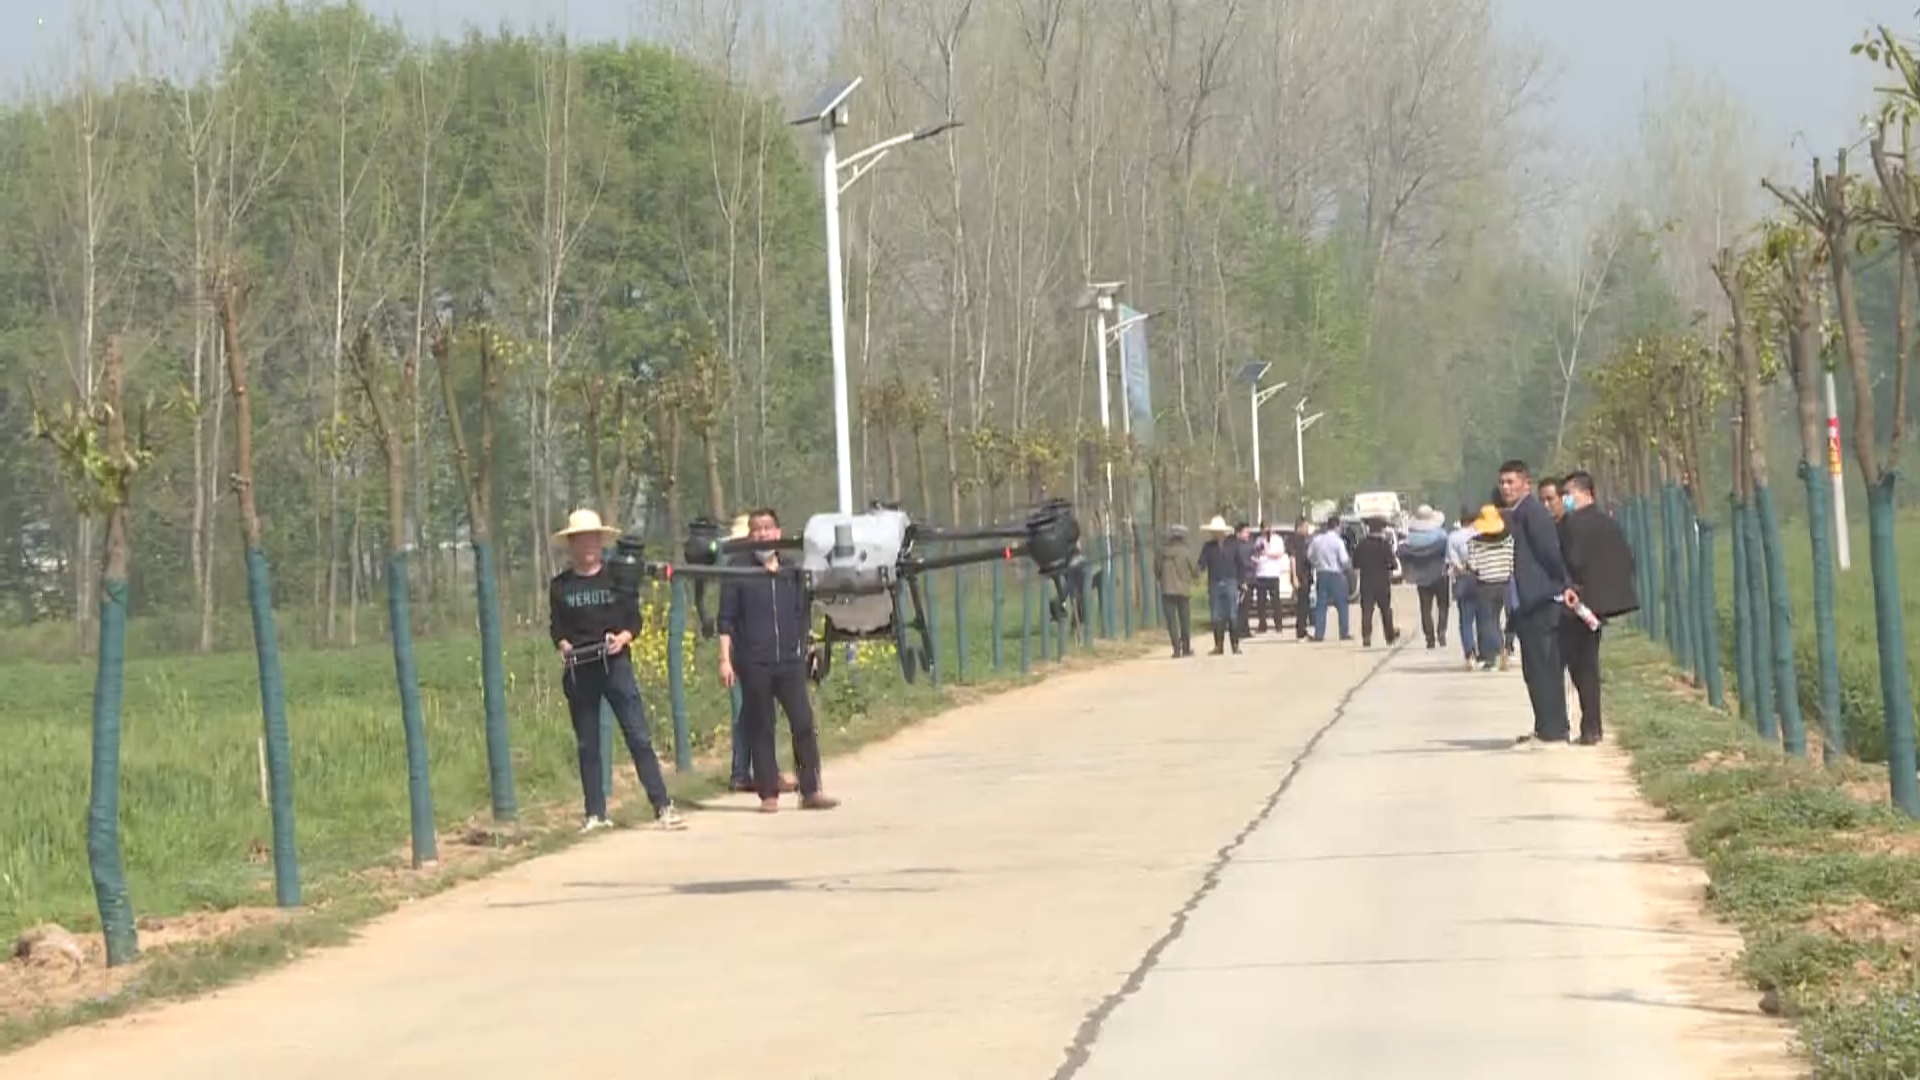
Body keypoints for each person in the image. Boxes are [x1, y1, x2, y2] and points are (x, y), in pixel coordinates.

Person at [548, 509, 686, 833]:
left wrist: (622, 638)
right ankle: (595, 813)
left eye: (592, 539)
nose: (587, 545)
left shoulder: (617, 577)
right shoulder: (560, 586)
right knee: (588, 744)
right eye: (580, 540)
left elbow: (633, 620)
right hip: (580, 669)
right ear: (572, 545)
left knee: (637, 735)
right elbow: (557, 628)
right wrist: (564, 644)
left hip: (615, 665)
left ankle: (662, 805)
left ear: (600, 541)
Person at [718, 508, 840, 812]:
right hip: (754, 661)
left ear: (778, 532)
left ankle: (810, 790)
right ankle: (768, 792)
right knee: (761, 726)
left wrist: (808, 648)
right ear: (750, 535)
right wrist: (725, 659)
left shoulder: (792, 569)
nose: (762, 533)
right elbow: (726, 619)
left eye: (767, 527)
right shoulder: (738, 570)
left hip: (789, 660)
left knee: (803, 722)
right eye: (756, 529)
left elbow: (802, 614)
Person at [1559, 471, 1639, 744]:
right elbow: (1627, 558)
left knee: (1581, 665)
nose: (1565, 499)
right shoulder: (1609, 523)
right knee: (1588, 662)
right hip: (1599, 603)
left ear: (1586, 493)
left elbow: (1574, 560)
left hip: (1579, 602)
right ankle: (1592, 725)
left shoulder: (1573, 525)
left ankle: (1591, 726)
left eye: (1569, 494)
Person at [1499, 459, 1573, 747]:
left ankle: (1554, 730)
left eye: (1511, 482)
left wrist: (1562, 584)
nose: (1506, 487)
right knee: (1534, 669)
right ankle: (1543, 726)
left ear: (1525, 484)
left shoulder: (1533, 513)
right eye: (1502, 482)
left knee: (1545, 669)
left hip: (1541, 602)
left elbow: (1550, 553)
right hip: (1526, 604)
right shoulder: (1518, 514)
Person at [1465, 505, 1514, 671]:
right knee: (1508, 617)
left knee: (1489, 621)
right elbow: (1512, 562)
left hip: (1485, 585)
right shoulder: (1509, 539)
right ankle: (1506, 646)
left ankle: (1498, 650)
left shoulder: (1474, 543)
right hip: (1505, 583)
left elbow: (1473, 565)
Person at [1398, 505, 1451, 649]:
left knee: (1425, 608)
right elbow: (1447, 553)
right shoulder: (1441, 535)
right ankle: (1441, 632)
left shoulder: (1411, 538)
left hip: (1421, 577)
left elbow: (1402, 551)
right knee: (1443, 605)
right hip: (1440, 575)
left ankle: (1429, 638)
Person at [1197, 516, 1242, 654]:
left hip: (1230, 580)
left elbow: (1240, 563)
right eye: (1214, 531)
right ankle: (1219, 646)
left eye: (1218, 531)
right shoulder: (1208, 547)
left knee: (1232, 614)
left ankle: (1235, 645)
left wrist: (1242, 581)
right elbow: (1202, 563)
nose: (1216, 534)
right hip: (1214, 582)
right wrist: (1198, 570)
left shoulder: (1233, 545)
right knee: (1216, 615)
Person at [1353, 517, 1399, 647]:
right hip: (1382, 582)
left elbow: (1355, 563)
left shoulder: (1361, 545)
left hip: (1366, 582)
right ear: (1381, 530)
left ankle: (1366, 636)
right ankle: (1389, 636)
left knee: (1367, 610)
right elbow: (1393, 564)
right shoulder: (1384, 545)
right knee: (1385, 610)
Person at [1307, 515, 1353, 642]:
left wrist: (1317, 564)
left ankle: (1319, 634)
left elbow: (1309, 555)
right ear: (1337, 526)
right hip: (1335, 574)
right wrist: (1348, 568)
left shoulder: (1317, 540)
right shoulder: (1338, 541)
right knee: (1342, 604)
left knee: (1321, 605)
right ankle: (1344, 632)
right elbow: (1344, 560)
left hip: (1321, 573)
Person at [1157, 525, 1198, 658]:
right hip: (1183, 590)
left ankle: (1176, 648)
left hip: (1166, 589)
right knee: (1184, 620)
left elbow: (1157, 569)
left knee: (1171, 621)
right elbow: (1194, 569)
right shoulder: (1186, 552)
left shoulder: (1162, 552)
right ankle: (1186, 647)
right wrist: (1195, 577)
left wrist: (1163, 578)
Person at [1447, 506, 1480, 669]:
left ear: (1461, 520)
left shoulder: (1453, 537)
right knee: (1483, 618)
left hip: (1463, 580)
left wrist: (1462, 568)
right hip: (1482, 579)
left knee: (1466, 620)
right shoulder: (1482, 534)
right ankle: (1486, 651)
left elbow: (1452, 561)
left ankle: (1469, 653)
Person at [1251, 525, 1292, 633]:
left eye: (1268, 529)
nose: (1266, 532)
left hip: (1273, 574)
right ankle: (1262, 625)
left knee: (1275, 602)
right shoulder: (1259, 540)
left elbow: (1280, 553)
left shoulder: (1277, 539)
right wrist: (1258, 554)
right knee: (1261, 602)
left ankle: (1278, 624)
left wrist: (1267, 553)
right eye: (1264, 530)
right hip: (1261, 574)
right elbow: (1255, 553)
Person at [1286, 517, 1314, 640]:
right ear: (1299, 527)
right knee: (1302, 604)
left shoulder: (1305, 539)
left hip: (1306, 574)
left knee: (1305, 603)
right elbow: (1292, 558)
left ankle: (1303, 629)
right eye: (1306, 527)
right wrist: (1294, 577)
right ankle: (1300, 632)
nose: (1307, 529)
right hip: (1300, 575)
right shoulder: (1293, 540)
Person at [1232, 522, 1258, 640]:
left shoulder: (1247, 545)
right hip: (1243, 579)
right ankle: (1239, 630)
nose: (1248, 534)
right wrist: (1252, 563)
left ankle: (1245, 629)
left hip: (1249, 578)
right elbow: (1242, 563)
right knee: (1243, 606)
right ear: (1238, 533)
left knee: (1246, 606)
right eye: (1245, 532)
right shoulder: (1238, 546)